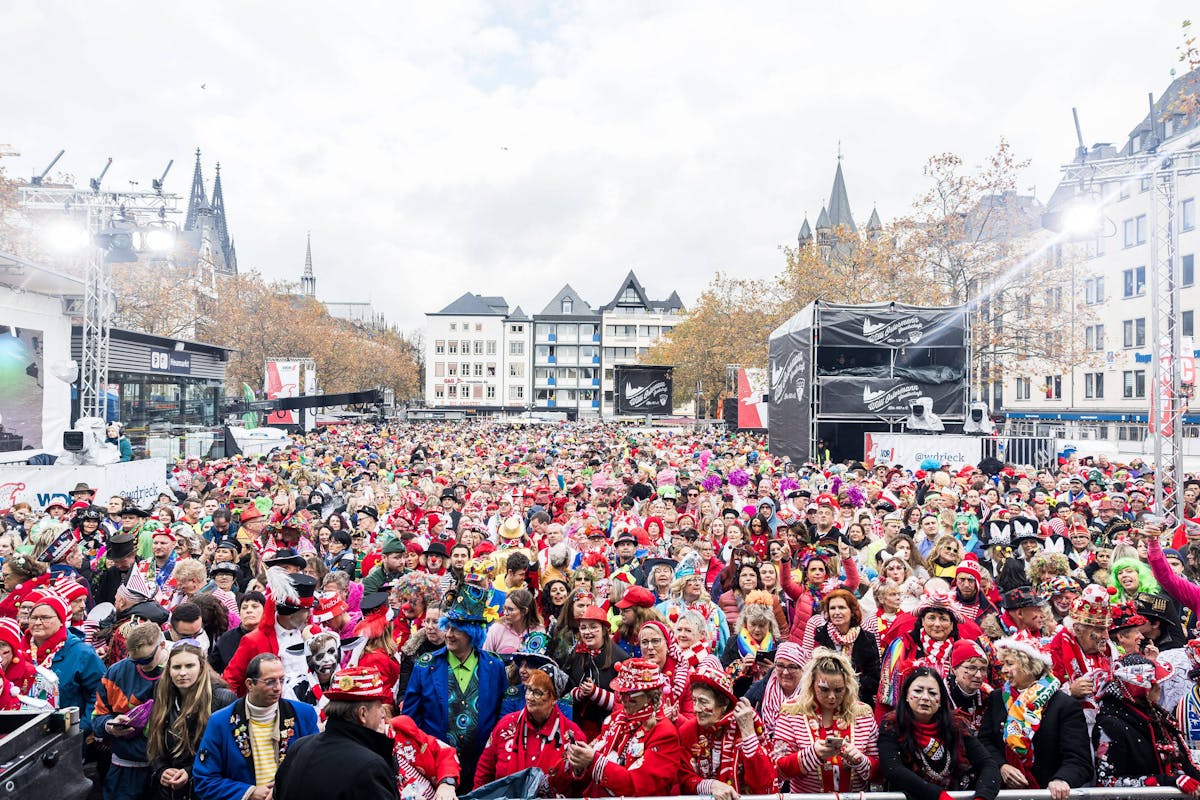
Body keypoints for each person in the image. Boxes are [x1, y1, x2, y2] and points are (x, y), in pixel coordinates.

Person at [402, 583, 507, 788]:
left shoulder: (494, 666)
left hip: (482, 771)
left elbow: (502, 718)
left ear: (473, 633)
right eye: (447, 626)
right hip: (435, 770)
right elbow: (411, 721)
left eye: (457, 629)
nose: (448, 634)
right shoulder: (426, 665)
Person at [978, 636, 1094, 799]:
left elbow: (1079, 760)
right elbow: (984, 741)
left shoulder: (1063, 704)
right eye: (1003, 664)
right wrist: (1001, 766)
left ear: (1031, 666)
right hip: (1004, 793)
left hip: (1046, 793)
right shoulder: (998, 698)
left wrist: (1061, 779)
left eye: (1010, 664)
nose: (1003, 670)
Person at [193, 653, 321, 800]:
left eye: (281, 680)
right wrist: (249, 792)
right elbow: (205, 780)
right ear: (249, 684)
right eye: (270, 682)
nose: (278, 688)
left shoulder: (304, 714)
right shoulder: (220, 721)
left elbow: (316, 768)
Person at [550, 657, 683, 797]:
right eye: (620, 693)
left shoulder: (664, 734)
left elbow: (638, 786)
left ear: (650, 696)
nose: (621, 699)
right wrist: (579, 763)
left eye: (630, 694)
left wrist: (593, 761)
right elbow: (593, 760)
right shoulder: (616, 719)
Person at [274, 665, 410, 800]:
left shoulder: (299, 747)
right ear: (362, 713)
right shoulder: (370, 766)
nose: (382, 713)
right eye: (379, 706)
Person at [878, 665, 1001, 800]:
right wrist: (939, 796)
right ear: (906, 695)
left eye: (932, 693)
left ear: (941, 700)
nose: (925, 697)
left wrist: (982, 797)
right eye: (918, 691)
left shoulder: (957, 726)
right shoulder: (892, 725)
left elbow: (988, 764)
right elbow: (893, 769)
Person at [773, 647, 877, 793]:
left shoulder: (863, 714)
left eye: (839, 690)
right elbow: (778, 769)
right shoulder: (792, 712)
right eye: (824, 689)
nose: (832, 696)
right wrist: (812, 754)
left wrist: (860, 760)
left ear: (847, 687)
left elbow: (880, 774)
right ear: (812, 685)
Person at [1094, 652, 1200, 794]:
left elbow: (1186, 764)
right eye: (1154, 683)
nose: (1159, 687)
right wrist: (1169, 782)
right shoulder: (1109, 726)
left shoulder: (1158, 717)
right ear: (1138, 687)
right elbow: (1108, 782)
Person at [144, 640, 238, 800]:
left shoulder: (223, 699)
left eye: (189, 666)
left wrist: (189, 772)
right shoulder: (162, 692)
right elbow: (154, 742)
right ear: (169, 669)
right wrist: (161, 770)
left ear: (202, 667)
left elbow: (227, 754)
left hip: (207, 789)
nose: (182, 672)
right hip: (169, 790)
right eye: (176, 667)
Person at [475, 661, 583, 789]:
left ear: (554, 699)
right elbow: (483, 773)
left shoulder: (572, 735)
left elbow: (580, 785)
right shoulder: (506, 725)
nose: (530, 697)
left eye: (537, 692)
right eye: (529, 690)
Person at [92, 622, 170, 800]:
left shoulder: (178, 670)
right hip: (125, 767)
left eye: (146, 660)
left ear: (162, 645)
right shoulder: (117, 671)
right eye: (134, 660)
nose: (141, 665)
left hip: (165, 767)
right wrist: (109, 726)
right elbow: (97, 716)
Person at [678, 661, 776, 798]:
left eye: (703, 702)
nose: (696, 709)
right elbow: (682, 777)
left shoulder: (745, 723)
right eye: (694, 701)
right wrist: (710, 785)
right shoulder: (689, 731)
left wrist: (748, 733)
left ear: (723, 704)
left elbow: (763, 781)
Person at [222, 570, 318, 696]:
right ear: (291, 614)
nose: (309, 614)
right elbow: (230, 681)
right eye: (306, 610)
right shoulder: (254, 641)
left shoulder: (314, 634)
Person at [26, 588, 104, 731]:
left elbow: (100, 694)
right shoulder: (21, 651)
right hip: (28, 732)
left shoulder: (81, 653)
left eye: (45, 617)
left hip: (67, 735)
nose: (37, 622)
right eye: (33, 617)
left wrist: (81, 728)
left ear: (61, 621)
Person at [799, 588, 880, 704]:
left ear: (852, 611)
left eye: (841, 607)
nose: (837, 612)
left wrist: (846, 684)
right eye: (832, 608)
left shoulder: (866, 638)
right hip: (822, 700)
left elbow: (874, 679)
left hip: (856, 701)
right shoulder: (819, 635)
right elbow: (808, 670)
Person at [563, 605, 631, 740]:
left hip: (609, 729)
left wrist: (595, 693)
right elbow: (564, 695)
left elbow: (625, 704)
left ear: (604, 630)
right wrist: (578, 694)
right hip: (578, 726)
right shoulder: (575, 655)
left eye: (593, 627)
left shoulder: (621, 658)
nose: (587, 632)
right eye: (583, 628)